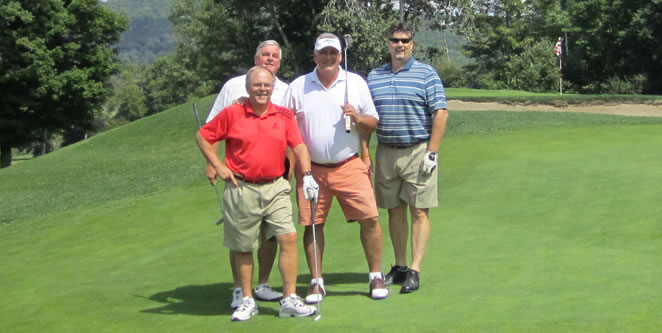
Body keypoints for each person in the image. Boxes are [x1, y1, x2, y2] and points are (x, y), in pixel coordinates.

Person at [196, 66, 320, 321]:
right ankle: (247, 299)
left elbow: (299, 147)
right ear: (248, 87)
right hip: (242, 188)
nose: (262, 89)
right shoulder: (233, 113)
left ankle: (289, 299)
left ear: (273, 87)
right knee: (244, 247)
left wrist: (307, 176)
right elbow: (203, 136)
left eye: (267, 85)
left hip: (276, 186)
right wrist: (218, 165)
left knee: (287, 238)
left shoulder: (284, 115)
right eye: (257, 85)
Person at [282, 33, 389, 303]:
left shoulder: (354, 83)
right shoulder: (298, 87)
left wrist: (357, 116)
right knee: (312, 224)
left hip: (349, 164)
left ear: (340, 56)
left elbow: (373, 122)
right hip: (312, 169)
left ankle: (375, 275)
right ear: (315, 55)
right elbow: (284, 127)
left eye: (333, 52)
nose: (328, 57)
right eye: (323, 52)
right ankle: (316, 282)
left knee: (371, 219)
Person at [205, 40, 289, 309]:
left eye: (275, 56)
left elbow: (291, 132)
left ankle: (263, 284)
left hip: (276, 174)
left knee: (272, 234)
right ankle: (240, 290)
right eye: (265, 54)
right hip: (241, 175)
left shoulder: (285, 90)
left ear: (280, 62)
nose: (270, 59)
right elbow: (212, 125)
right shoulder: (233, 85)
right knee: (241, 238)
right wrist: (215, 163)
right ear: (256, 57)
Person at [366, 21, 449, 294]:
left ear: (412, 43)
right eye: (394, 40)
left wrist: (432, 152)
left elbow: (440, 113)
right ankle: (400, 267)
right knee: (393, 209)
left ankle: (415, 269)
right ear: (387, 43)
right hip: (386, 151)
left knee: (419, 211)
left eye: (404, 40)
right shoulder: (374, 76)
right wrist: (365, 152)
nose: (399, 44)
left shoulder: (426, 74)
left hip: (417, 151)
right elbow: (367, 119)